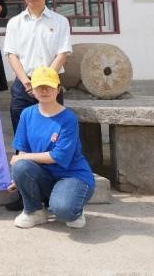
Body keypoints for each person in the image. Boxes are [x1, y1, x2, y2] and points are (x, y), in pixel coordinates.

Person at [8, 67, 95, 229]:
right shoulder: (27, 114)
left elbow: (58, 156)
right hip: (44, 174)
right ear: (32, 90)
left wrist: (23, 158)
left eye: (49, 86)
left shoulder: (68, 118)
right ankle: (34, 212)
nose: (44, 90)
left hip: (72, 175)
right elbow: (23, 149)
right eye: (39, 86)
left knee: (64, 210)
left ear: (58, 89)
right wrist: (18, 175)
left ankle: (75, 208)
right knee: (19, 166)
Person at [3, 0, 72, 133]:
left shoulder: (60, 21)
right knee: (23, 133)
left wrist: (45, 80)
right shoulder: (15, 23)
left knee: (53, 133)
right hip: (24, 85)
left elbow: (62, 53)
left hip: (51, 84)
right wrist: (27, 83)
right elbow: (11, 54)